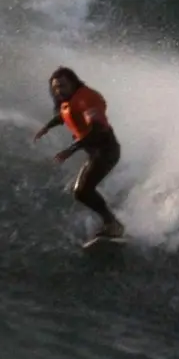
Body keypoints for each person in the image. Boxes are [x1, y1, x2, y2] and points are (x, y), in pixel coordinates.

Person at [33, 67, 125, 238]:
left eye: (62, 86)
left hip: (106, 151)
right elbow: (65, 115)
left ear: (73, 83)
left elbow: (97, 129)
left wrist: (70, 150)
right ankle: (111, 220)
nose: (59, 90)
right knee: (82, 190)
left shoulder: (86, 99)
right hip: (95, 153)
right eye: (55, 88)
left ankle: (113, 225)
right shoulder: (69, 100)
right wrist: (46, 127)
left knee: (82, 191)